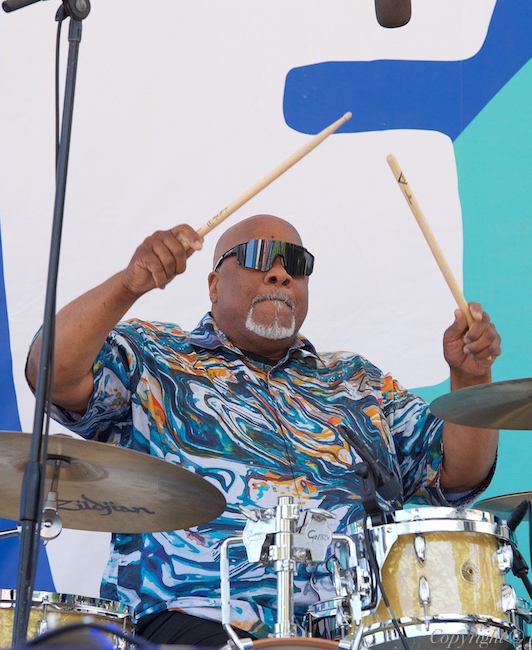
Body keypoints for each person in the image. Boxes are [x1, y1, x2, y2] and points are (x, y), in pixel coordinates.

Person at [26, 214, 501, 647]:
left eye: (296, 263)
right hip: (193, 618)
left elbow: (457, 472)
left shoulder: (357, 382)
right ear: (214, 285)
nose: (280, 274)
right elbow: (53, 373)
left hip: (356, 629)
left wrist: (472, 377)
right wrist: (128, 285)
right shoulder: (154, 358)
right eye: (258, 258)